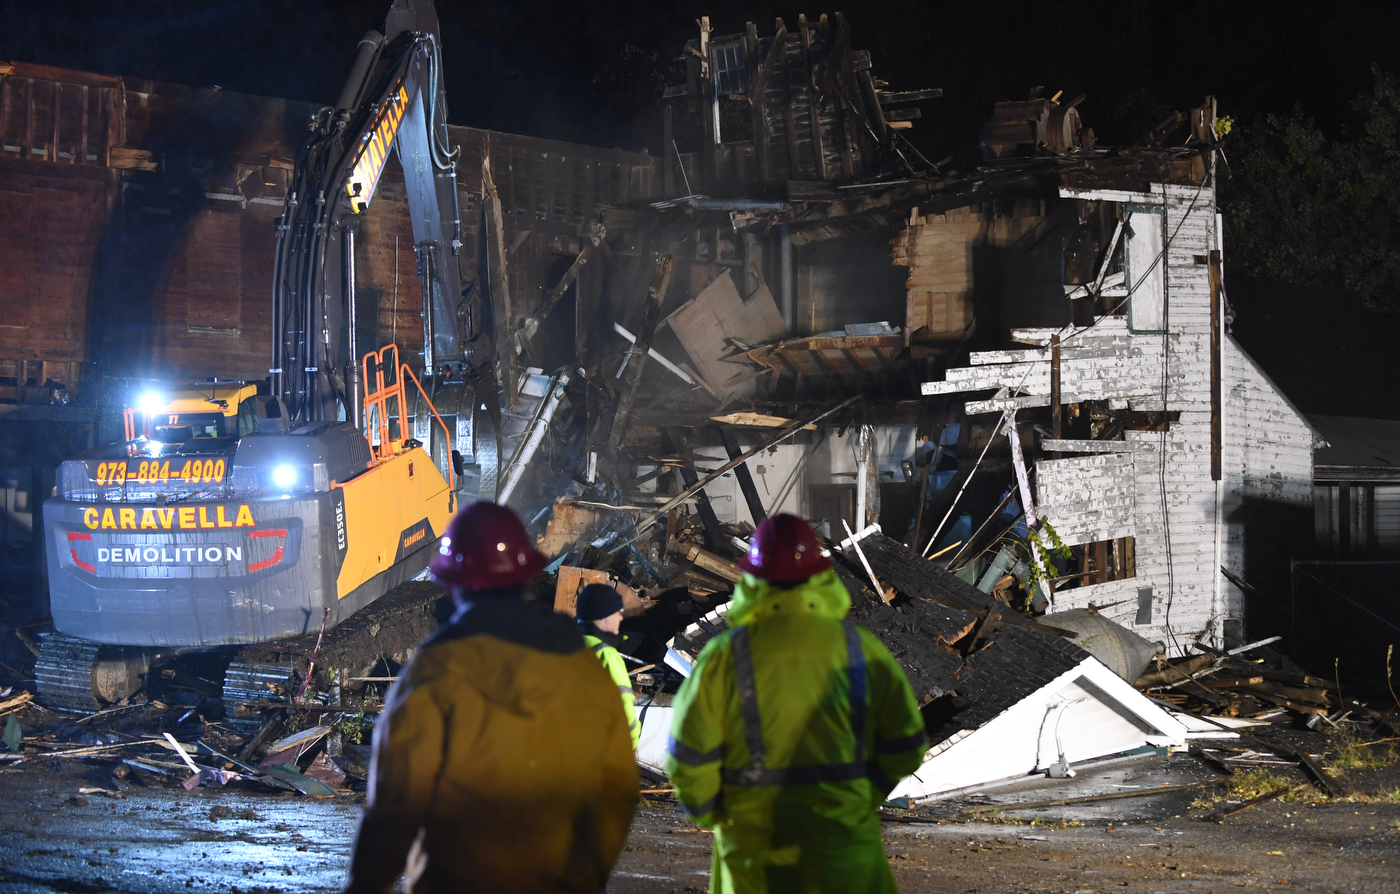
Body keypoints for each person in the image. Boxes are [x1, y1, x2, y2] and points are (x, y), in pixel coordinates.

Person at [345, 502, 639, 894]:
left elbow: (399, 801)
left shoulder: (437, 670)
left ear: (454, 586)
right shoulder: (580, 662)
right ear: (524, 578)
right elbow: (617, 783)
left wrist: (366, 883)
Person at [665, 513, 929, 894]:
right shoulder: (860, 652)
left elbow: (688, 757)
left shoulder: (724, 658)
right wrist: (863, 796)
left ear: (753, 579)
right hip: (843, 855)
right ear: (821, 576)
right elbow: (906, 743)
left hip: (754, 859)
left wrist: (716, 813)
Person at [575, 583, 641, 750]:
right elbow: (623, 711)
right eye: (616, 612)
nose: (620, 617)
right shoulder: (605, 655)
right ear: (602, 617)